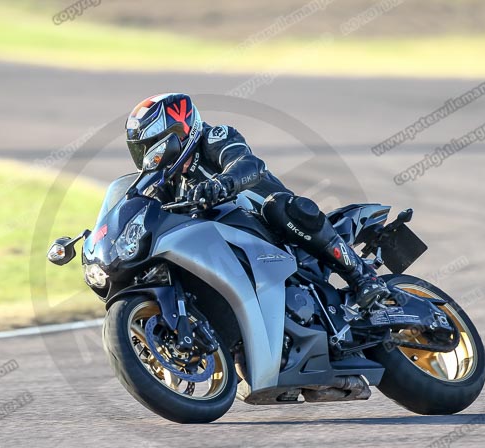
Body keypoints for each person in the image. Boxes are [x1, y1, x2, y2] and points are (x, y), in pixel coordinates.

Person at [125, 93, 389, 309]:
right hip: (230, 249)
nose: (150, 156)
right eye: (142, 150)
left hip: (273, 229)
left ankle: (362, 275)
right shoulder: (167, 184)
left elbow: (249, 163)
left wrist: (221, 183)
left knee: (281, 207)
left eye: (154, 145)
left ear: (178, 132)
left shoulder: (213, 138)